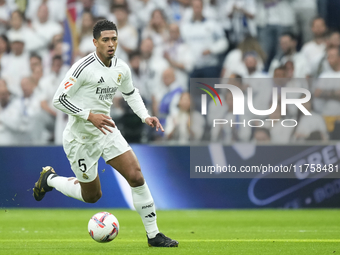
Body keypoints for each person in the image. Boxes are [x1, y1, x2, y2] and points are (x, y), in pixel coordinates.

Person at [32, 19, 178, 248]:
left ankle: (154, 235)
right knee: (92, 196)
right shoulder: (82, 68)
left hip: (107, 132)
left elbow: (130, 93)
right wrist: (89, 115)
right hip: (80, 139)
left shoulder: (121, 68)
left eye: (114, 39)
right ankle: (50, 179)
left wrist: (145, 116)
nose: (111, 44)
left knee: (136, 176)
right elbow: (58, 100)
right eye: (106, 40)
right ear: (95, 42)